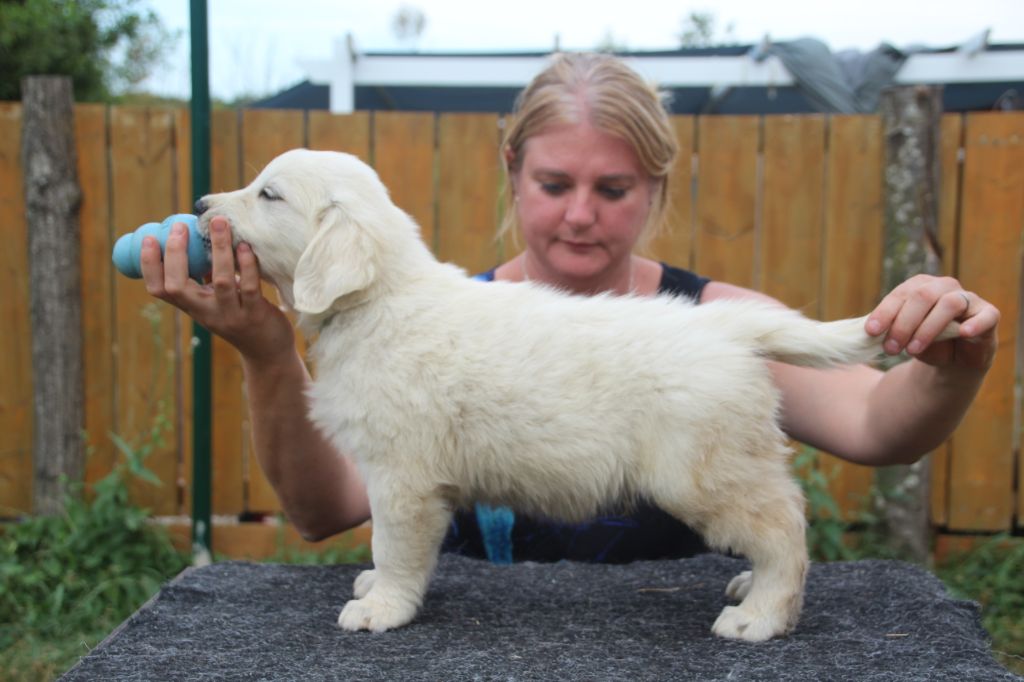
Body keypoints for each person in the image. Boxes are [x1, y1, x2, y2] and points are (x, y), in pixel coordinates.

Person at [141, 52, 1000, 564]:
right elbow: (325, 512)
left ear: (656, 188)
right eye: (554, 184)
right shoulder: (442, 326)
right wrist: (265, 350)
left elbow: (880, 427)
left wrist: (950, 363)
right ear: (511, 169)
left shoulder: (701, 321)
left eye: (613, 188)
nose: (581, 214)